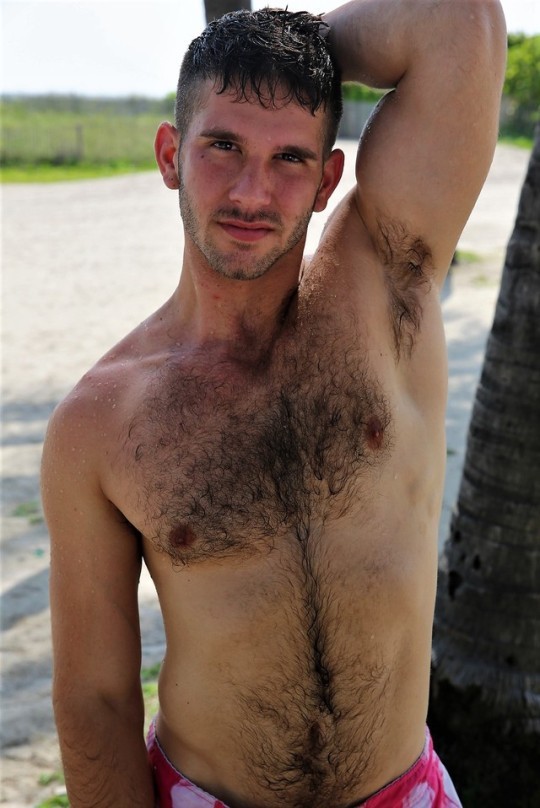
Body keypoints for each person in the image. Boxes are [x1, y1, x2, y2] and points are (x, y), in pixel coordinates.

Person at [41, 1, 506, 806]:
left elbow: (457, 16)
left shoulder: (383, 291)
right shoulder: (99, 425)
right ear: (170, 155)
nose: (252, 192)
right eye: (223, 145)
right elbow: (97, 701)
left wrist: (297, 51)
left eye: (290, 156)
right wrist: (257, 62)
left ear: (328, 180)